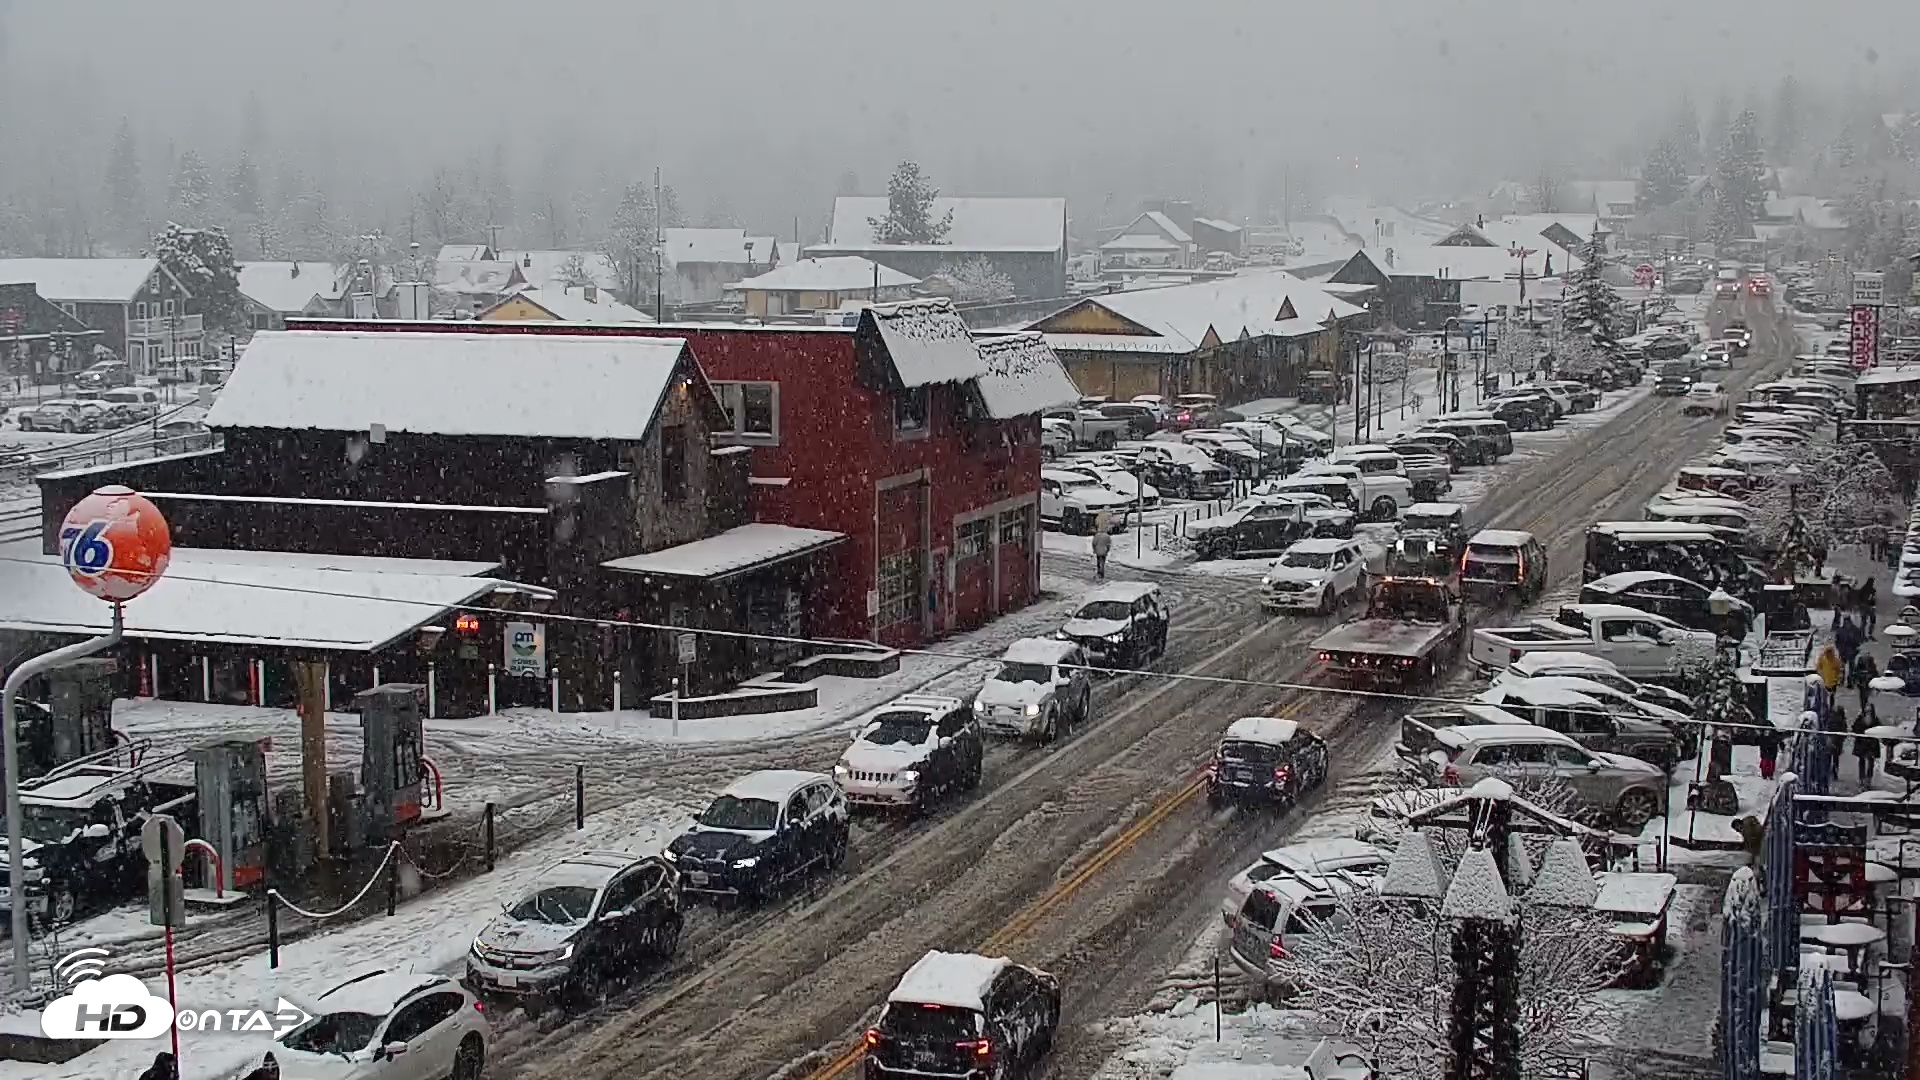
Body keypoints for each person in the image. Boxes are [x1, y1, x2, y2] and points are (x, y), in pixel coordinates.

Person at [1856, 709, 1882, 784]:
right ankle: (1862, 778)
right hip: (1863, 743)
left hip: (1871, 744)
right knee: (1862, 761)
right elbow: (1855, 728)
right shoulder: (1860, 719)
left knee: (1870, 762)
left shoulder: (1875, 720)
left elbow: (1879, 729)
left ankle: (1868, 778)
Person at [1090, 516, 1112, 581]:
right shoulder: (1107, 536)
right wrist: (1107, 550)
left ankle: (1099, 571)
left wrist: (1094, 549)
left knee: (1098, 561)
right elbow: (1108, 544)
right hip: (1104, 551)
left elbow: (1094, 543)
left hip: (1098, 550)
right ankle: (1102, 572)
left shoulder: (1097, 536)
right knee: (1103, 562)